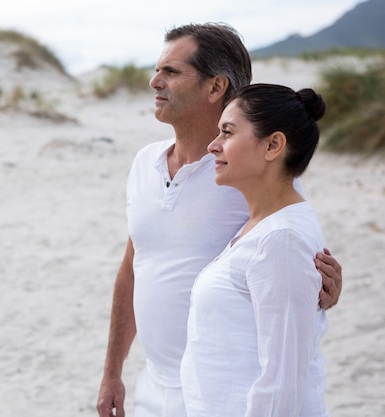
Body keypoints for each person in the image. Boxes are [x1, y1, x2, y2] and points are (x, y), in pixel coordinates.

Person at [96, 23, 342, 417]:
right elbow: (134, 266)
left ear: (215, 88)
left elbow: (290, 250)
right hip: (152, 386)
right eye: (158, 69)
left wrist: (323, 286)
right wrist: (112, 372)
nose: (154, 81)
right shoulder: (144, 163)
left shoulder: (245, 175)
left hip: (219, 394)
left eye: (171, 72)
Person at [180, 84, 330, 416]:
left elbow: (282, 385)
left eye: (227, 132)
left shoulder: (281, 239)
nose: (213, 145)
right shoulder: (263, 229)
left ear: (274, 145)